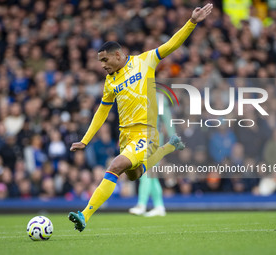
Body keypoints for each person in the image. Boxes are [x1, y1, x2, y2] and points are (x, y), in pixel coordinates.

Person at [68, 3, 213, 232]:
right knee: (135, 175)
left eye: (105, 60)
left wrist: (191, 22)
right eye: (100, 62)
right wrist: (85, 139)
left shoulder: (144, 61)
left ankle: (84, 215)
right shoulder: (110, 82)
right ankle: (167, 148)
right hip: (126, 136)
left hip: (146, 132)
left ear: (118, 55)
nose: (103, 66)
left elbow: (171, 45)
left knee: (115, 166)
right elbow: (102, 112)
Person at [129, 93, 175, 217]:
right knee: (152, 175)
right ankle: (159, 206)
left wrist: (173, 137)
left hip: (153, 140)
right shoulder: (135, 96)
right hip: (140, 140)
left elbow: (167, 118)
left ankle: (141, 204)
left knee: (147, 172)